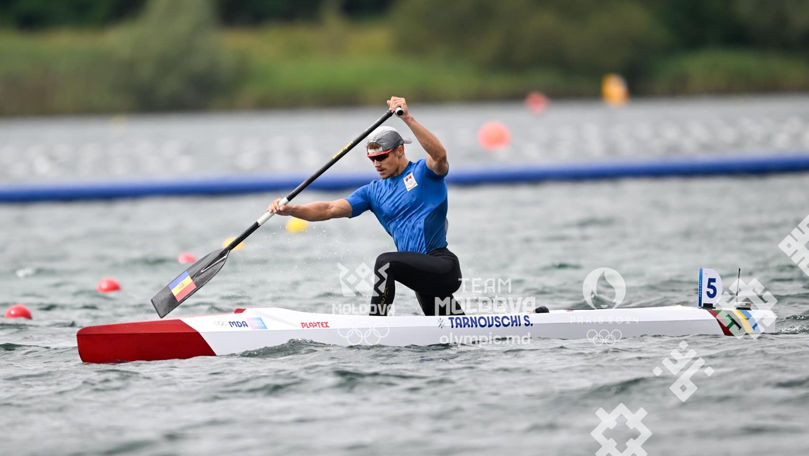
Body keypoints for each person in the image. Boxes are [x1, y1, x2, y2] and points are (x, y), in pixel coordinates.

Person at [268, 96, 464, 317]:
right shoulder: (372, 192)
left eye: (381, 157)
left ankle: (374, 324)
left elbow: (440, 155)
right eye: (372, 159)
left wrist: (407, 117)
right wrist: (292, 210)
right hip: (420, 276)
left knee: (385, 262)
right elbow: (329, 209)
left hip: (442, 266)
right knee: (450, 336)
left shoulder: (424, 173)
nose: (376, 163)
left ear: (400, 151)